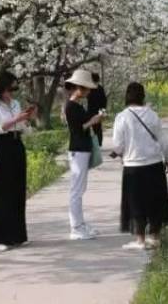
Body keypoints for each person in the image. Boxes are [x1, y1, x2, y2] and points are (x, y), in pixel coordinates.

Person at [113, 82, 168, 250]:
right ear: (143, 96)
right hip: (154, 164)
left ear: (127, 96)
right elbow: (163, 141)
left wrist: (118, 154)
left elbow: (118, 145)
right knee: (155, 201)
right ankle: (155, 237)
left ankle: (140, 240)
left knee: (135, 202)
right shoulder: (152, 115)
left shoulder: (122, 117)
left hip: (133, 166)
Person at [0, 71, 36, 252]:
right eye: (10, 88)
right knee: (0, 191)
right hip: (1, 146)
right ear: (2, 87)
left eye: (14, 88)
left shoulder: (15, 103)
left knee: (18, 189)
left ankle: (17, 235)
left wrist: (27, 120)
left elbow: (22, 128)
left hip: (16, 144)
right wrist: (15, 119)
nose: (12, 92)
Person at [64, 69, 103, 240]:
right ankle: (76, 227)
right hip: (78, 149)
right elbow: (77, 129)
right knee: (76, 190)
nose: (88, 92)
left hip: (82, 149)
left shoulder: (77, 105)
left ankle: (80, 224)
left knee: (80, 188)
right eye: (86, 89)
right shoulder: (71, 106)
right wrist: (93, 121)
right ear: (79, 88)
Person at [87, 73, 108, 146]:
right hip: (98, 111)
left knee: (93, 128)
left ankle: (95, 143)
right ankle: (99, 143)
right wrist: (103, 113)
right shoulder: (100, 88)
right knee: (98, 128)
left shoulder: (89, 89)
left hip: (91, 111)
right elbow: (104, 101)